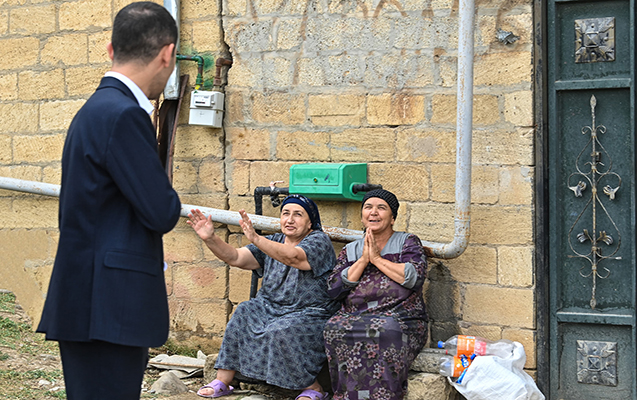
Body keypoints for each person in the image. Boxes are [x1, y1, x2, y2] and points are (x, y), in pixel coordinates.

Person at [36, 3, 181, 399]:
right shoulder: (124, 115)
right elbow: (161, 210)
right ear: (167, 53)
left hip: (87, 298)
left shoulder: (94, 110)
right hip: (110, 305)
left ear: (109, 48)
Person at [188, 194, 338, 400]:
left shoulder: (318, 240)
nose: (290, 219)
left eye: (298, 215)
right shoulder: (274, 240)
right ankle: (223, 382)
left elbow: (294, 257)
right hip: (270, 307)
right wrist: (210, 239)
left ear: (310, 221)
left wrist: (257, 238)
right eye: (286, 213)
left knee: (282, 331)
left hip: (310, 311)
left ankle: (313, 388)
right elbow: (236, 257)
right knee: (243, 313)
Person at [323, 189, 428, 400]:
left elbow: (415, 277)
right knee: (332, 327)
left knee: (384, 329)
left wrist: (378, 259)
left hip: (399, 316)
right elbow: (333, 288)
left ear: (392, 218)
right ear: (362, 216)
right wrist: (363, 260)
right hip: (355, 315)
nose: (374, 213)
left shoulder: (407, 242)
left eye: (382, 208)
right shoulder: (351, 249)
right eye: (368, 207)